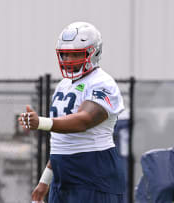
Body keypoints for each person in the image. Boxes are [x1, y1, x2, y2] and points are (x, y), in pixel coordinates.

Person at [18, 22, 126, 203]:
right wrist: (45, 181)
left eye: (75, 54)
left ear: (94, 52)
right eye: (65, 54)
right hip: (63, 179)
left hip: (93, 175)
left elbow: (84, 120)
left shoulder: (102, 82)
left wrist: (41, 123)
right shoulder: (64, 84)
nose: (68, 59)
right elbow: (62, 141)